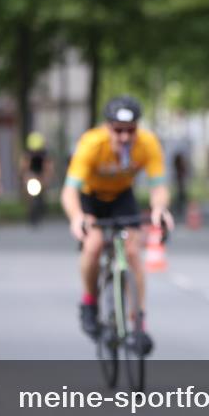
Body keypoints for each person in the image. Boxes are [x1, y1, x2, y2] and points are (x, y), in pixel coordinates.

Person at [61, 96, 175, 355]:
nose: (125, 137)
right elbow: (69, 192)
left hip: (122, 197)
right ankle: (89, 303)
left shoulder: (147, 143)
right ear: (107, 127)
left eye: (131, 130)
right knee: (93, 245)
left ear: (138, 128)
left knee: (133, 252)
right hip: (90, 198)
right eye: (118, 130)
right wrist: (77, 217)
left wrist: (159, 209)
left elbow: (159, 185)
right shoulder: (92, 144)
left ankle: (138, 325)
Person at [21, 131, 54, 219]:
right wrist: (24, 176)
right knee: (28, 189)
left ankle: (43, 203)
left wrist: (47, 176)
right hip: (32, 173)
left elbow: (48, 166)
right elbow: (24, 167)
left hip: (41, 173)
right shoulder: (28, 154)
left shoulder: (44, 153)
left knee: (44, 186)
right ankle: (29, 207)